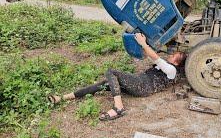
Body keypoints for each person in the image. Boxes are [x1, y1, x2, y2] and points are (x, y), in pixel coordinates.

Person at [48, 33, 186, 121]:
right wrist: (144, 43)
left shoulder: (171, 70)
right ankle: (62, 98)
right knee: (103, 84)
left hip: (143, 86)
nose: (171, 55)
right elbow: (152, 55)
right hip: (139, 82)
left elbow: (155, 58)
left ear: (177, 62)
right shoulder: (167, 65)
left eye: (174, 56)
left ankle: (118, 107)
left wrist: (143, 43)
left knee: (111, 72)